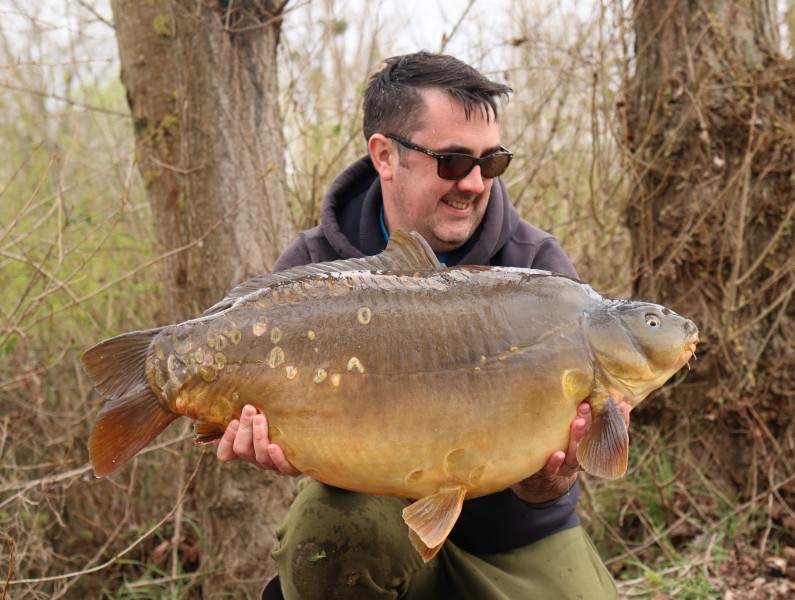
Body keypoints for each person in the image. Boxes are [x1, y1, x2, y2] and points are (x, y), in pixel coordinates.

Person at [214, 51, 624, 599]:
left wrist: (552, 476)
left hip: (512, 540)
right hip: (373, 532)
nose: (476, 184)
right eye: (452, 161)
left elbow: (558, 479)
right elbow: (272, 424)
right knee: (330, 532)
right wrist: (275, 445)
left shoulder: (539, 271)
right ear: (385, 155)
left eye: (492, 162)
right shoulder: (312, 274)